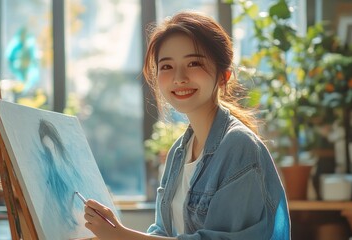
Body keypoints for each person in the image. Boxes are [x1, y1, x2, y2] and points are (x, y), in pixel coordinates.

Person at [84, 11, 291, 239]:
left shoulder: (238, 145)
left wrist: (121, 236)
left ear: (224, 76)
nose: (179, 77)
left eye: (193, 63)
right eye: (166, 66)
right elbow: (163, 232)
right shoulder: (177, 153)